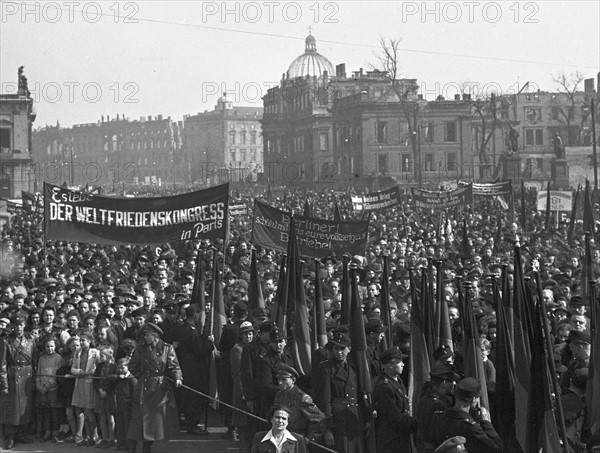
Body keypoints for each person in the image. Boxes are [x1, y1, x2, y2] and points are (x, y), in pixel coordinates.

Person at [126, 322, 182, 453]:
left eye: (147, 335)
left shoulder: (167, 349)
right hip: (143, 386)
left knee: (152, 420)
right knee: (137, 419)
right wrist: (143, 376)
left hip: (159, 387)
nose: (144, 338)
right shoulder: (141, 349)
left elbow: (174, 366)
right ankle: (131, 447)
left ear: (155, 335)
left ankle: (147, 447)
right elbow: (132, 366)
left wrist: (177, 378)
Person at [314, 332, 364, 453]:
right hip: (338, 422)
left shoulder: (353, 368)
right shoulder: (326, 369)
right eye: (336, 348)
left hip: (354, 419)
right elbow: (325, 401)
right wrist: (328, 429)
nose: (339, 352)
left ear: (349, 349)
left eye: (342, 348)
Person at [432, 377, 502, 453]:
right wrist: (486, 421)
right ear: (474, 399)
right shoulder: (471, 427)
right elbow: (497, 447)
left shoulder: (442, 417)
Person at [1, 315, 37, 450]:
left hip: (27, 375)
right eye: (16, 325)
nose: (19, 328)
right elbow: (2, 364)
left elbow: (34, 361)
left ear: (25, 326)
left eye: (21, 325)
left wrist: (34, 379)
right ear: (12, 326)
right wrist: (4, 383)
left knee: (25, 407)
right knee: (12, 407)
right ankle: (11, 436)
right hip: (12, 375)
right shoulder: (6, 341)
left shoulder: (30, 340)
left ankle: (22, 433)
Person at [372, 348, 418, 452]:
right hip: (392, 441)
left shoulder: (397, 380)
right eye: (400, 362)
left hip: (401, 436)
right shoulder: (384, 386)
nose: (403, 365)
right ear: (390, 364)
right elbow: (394, 418)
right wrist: (416, 424)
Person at [273, 363, 325, 444]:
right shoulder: (279, 395)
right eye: (278, 379)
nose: (280, 382)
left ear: (293, 380)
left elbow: (319, 418)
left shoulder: (302, 398)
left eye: (284, 380)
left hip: (296, 440)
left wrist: (311, 438)